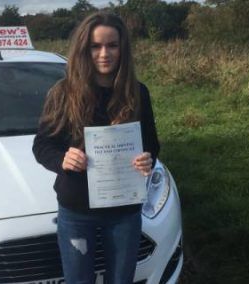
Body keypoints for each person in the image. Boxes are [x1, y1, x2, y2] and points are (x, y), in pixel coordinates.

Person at [32, 11, 160, 284]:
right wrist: (62, 159)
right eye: (95, 46)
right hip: (77, 209)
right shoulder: (62, 92)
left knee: (121, 279)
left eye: (112, 45)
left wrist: (147, 159)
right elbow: (42, 144)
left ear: (122, 48)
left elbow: (151, 143)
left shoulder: (138, 92)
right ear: (83, 49)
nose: (104, 53)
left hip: (125, 209)